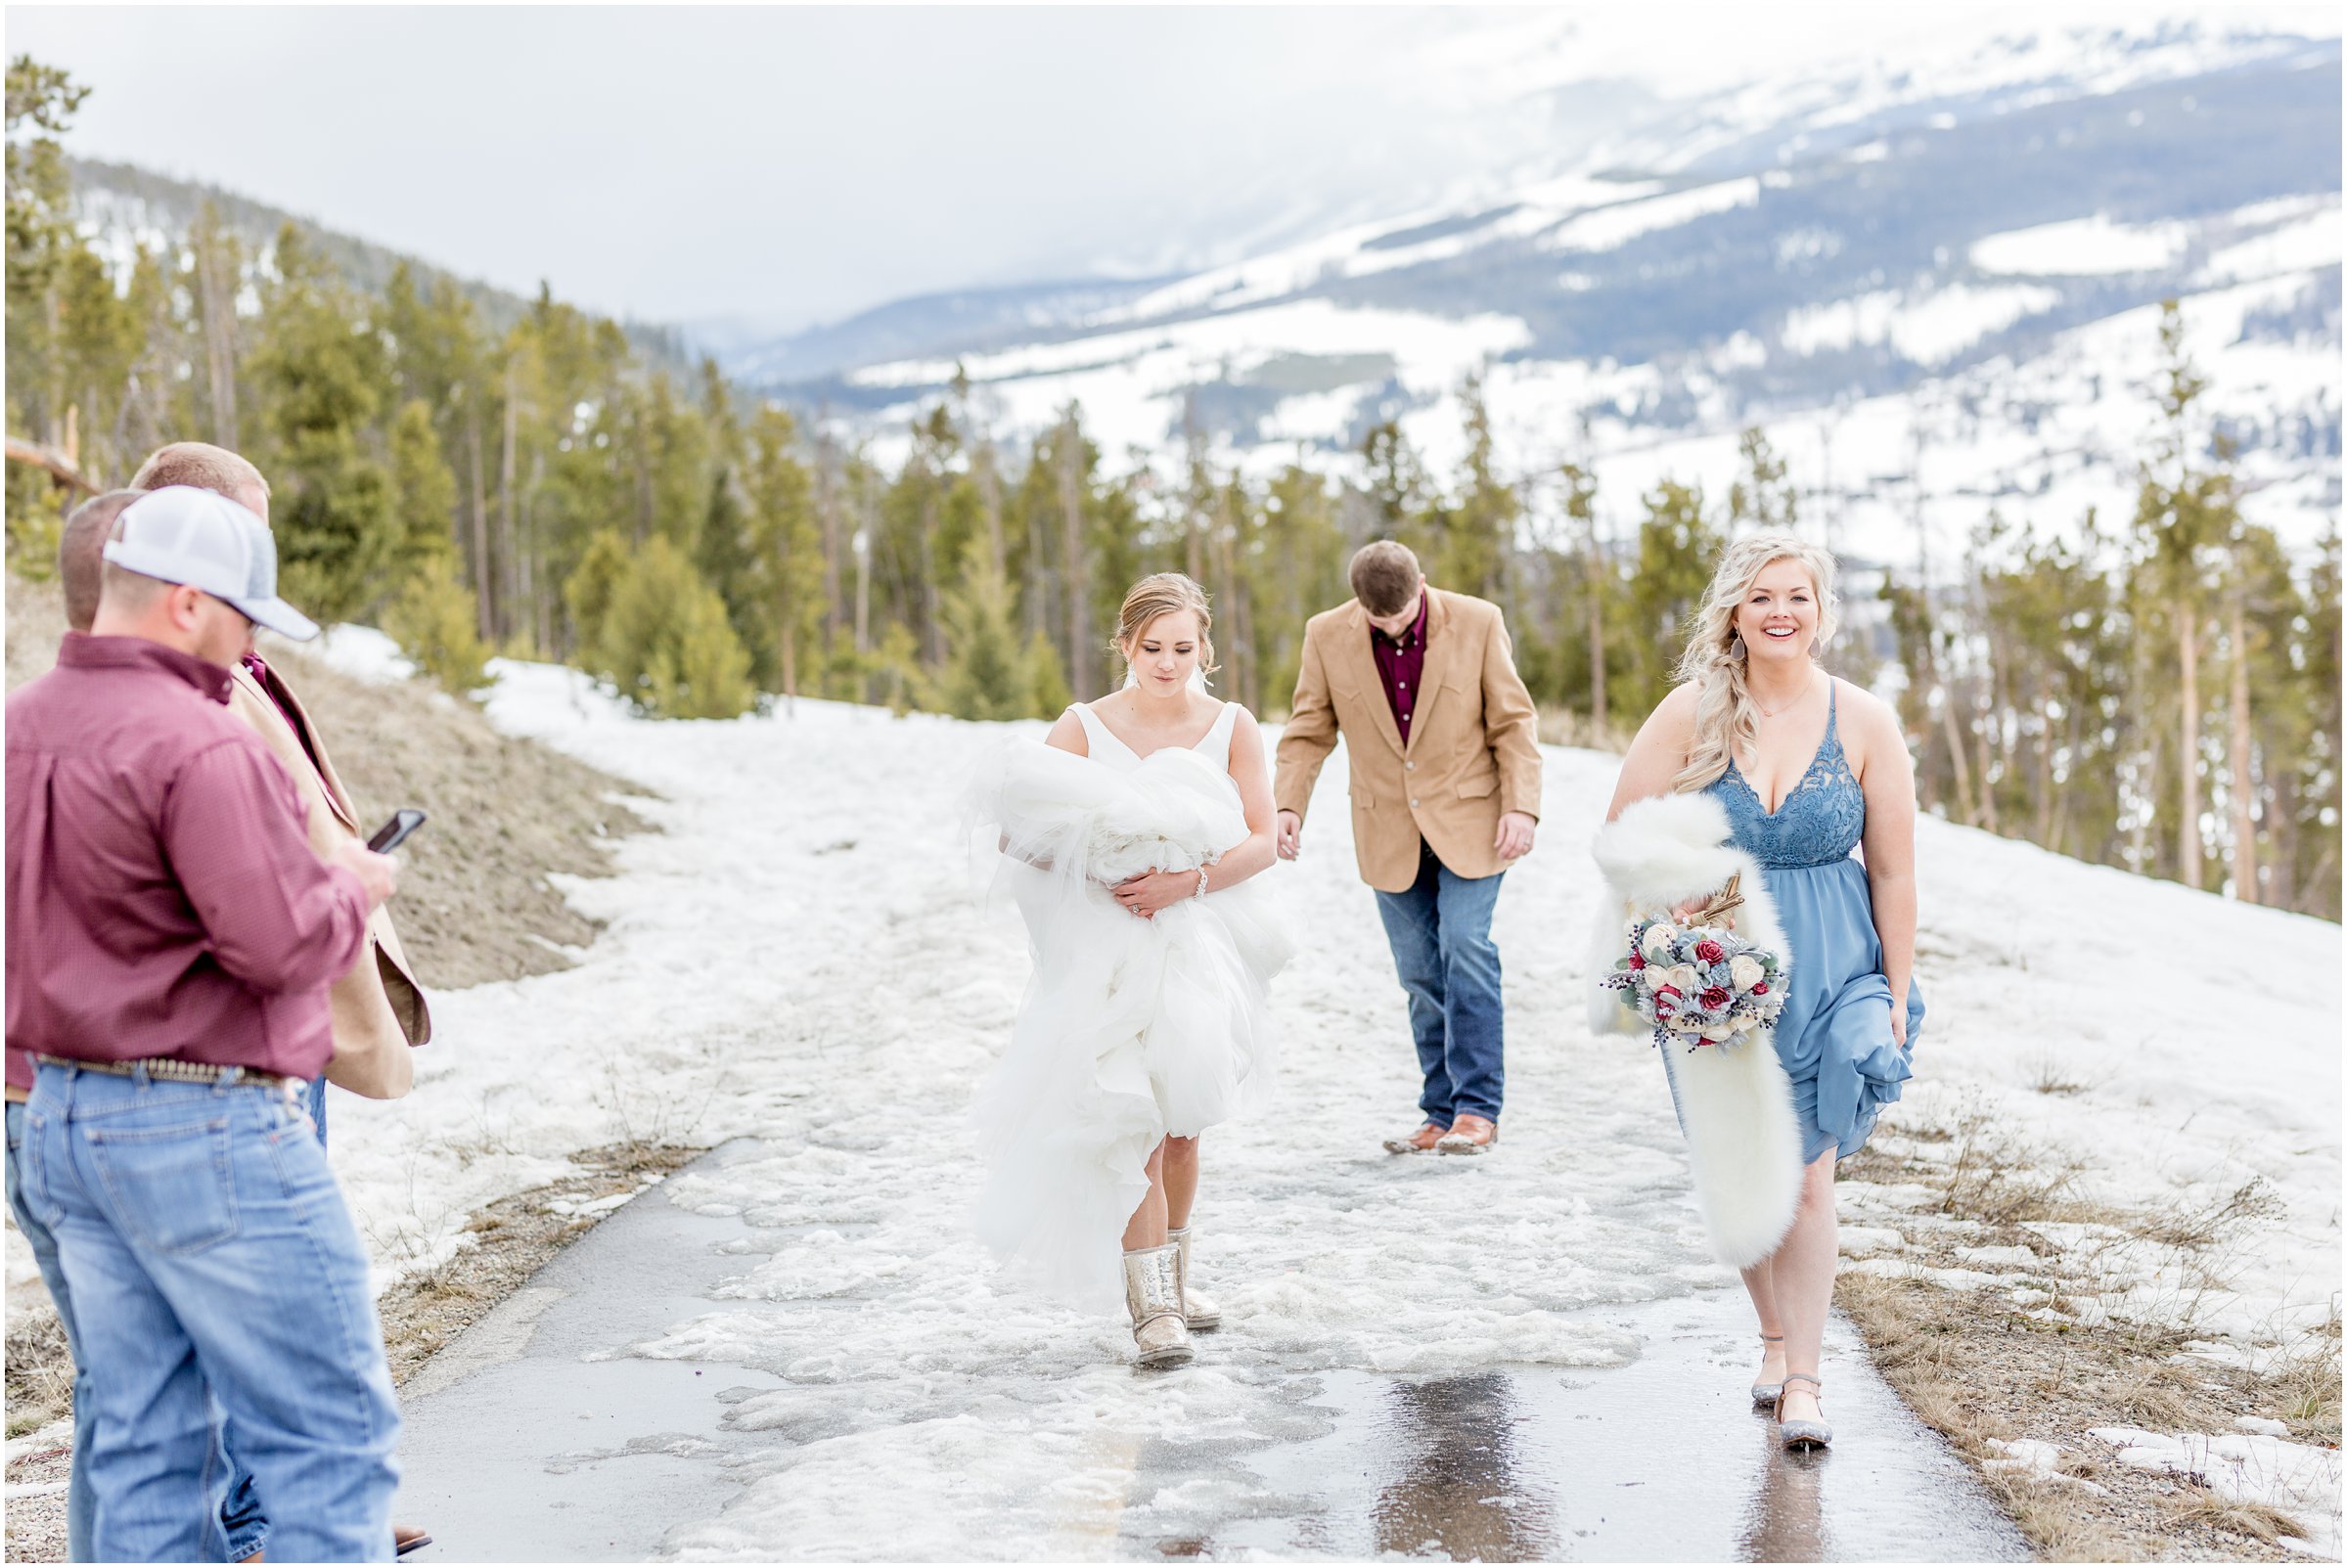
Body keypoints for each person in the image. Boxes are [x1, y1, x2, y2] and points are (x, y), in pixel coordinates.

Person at [8, 485, 406, 1559]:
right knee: (332, 1437)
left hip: (61, 1120)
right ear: (186, 603)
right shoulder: (199, 740)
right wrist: (355, 889)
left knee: (145, 1445)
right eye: (245, 616)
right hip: (204, 1127)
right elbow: (278, 947)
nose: (248, 647)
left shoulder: (21, 723)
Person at [1603, 531, 1922, 1451]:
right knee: (1746, 1173)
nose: (1779, 611)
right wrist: (1680, 888)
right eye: (1759, 597)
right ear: (1733, 615)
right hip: (1718, 959)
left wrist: (1892, 992)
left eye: (1797, 596)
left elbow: (1894, 874)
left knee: (1811, 1177)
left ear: (1821, 615)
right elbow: (1623, 834)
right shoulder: (1688, 713)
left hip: (1831, 962)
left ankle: (1807, 1384)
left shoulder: (1864, 721)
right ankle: (1776, 1339)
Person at [968, 573, 1290, 1366]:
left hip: (1197, 946)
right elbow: (1018, 835)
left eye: (1183, 647)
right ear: (1124, 646)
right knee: (1133, 1121)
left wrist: (1188, 881)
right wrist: (1100, 866)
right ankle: (1149, 1311)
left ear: (1205, 648)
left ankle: (1175, 1279)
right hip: (1105, 955)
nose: (1167, 662)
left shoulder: (1231, 727)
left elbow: (1262, 837)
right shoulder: (1082, 728)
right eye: (1152, 647)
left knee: (1182, 1125)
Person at [1272, 541, 1542, 1156]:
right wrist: (1288, 804)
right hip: (1386, 831)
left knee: (1465, 945)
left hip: (1474, 822)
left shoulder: (1478, 621)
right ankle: (1439, 1111)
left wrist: (1522, 806)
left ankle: (1478, 1110)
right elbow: (1309, 730)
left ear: (1423, 581)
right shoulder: (1325, 635)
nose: (1391, 626)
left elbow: (1513, 723)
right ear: (1358, 603)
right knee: (1420, 974)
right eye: (1378, 620)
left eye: (1400, 615)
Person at [2, 489, 139, 1564]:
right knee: (143, 1396)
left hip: (31, 1098)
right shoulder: (129, 734)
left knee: (120, 1385)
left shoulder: (20, 722)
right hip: (108, 1099)